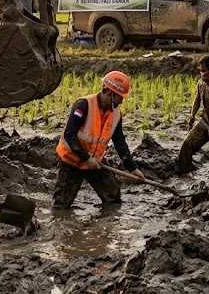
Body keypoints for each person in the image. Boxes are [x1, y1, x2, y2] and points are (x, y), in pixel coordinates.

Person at [54, 71, 145, 209]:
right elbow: (70, 135)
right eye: (121, 97)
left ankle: (105, 225)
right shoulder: (83, 105)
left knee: (113, 196)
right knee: (61, 205)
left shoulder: (116, 114)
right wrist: (86, 159)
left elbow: (120, 142)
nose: (122, 101)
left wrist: (132, 168)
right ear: (111, 94)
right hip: (71, 160)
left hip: (96, 162)